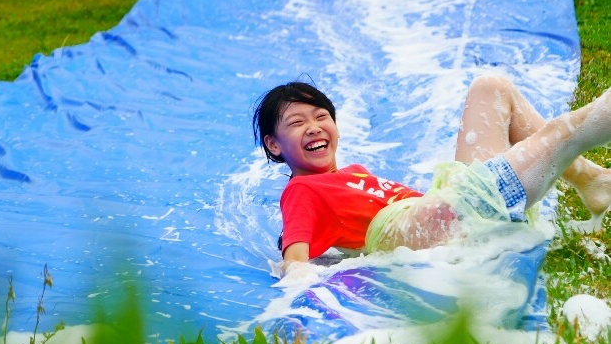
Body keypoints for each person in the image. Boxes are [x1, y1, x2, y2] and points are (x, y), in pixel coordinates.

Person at [253, 75, 611, 273]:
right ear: (274, 145)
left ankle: (591, 180)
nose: (314, 127)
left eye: (321, 116)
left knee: (492, 88)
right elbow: (295, 262)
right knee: (569, 129)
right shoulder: (302, 191)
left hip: (444, 211)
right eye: (297, 123)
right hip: (432, 222)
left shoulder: (354, 174)